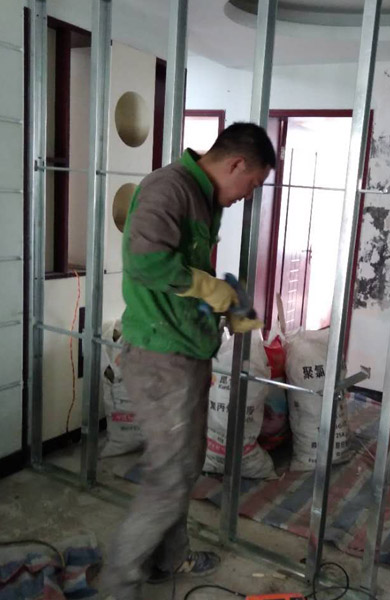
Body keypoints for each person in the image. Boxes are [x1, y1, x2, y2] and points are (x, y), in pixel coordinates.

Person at [104, 122, 276, 599]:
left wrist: (225, 301)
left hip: (186, 352)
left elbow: (184, 272)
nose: (247, 196)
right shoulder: (169, 187)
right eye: (252, 184)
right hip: (161, 358)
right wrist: (209, 288)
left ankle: (168, 558)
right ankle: (117, 585)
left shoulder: (202, 197)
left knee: (183, 467)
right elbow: (146, 263)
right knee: (169, 477)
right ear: (236, 164)